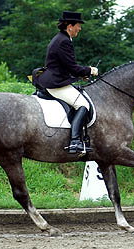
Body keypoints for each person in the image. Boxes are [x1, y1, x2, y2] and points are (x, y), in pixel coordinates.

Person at [37, 11, 98, 154]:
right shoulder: (64, 41)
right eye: (78, 25)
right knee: (83, 104)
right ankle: (75, 141)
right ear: (70, 26)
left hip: (57, 78)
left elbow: (65, 66)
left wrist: (80, 74)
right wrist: (89, 70)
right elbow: (73, 67)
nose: (80, 28)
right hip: (56, 83)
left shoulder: (61, 38)